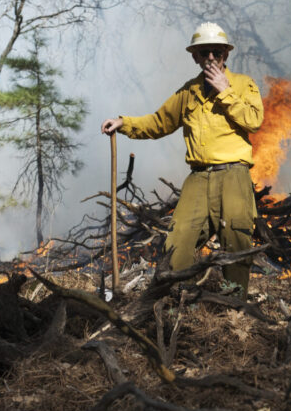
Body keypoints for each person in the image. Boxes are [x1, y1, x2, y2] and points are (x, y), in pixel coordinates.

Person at [101, 22, 263, 297]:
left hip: (233, 174)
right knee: (177, 243)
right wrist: (123, 123)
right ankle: (177, 303)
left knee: (236, 239)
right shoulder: (188, 92)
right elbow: (158, 122)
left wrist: (225, 91)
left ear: (225, 54)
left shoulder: (243, 84)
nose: (210, 58)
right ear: (195, 57)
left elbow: (254, 121)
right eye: (204, 52)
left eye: (216, 52)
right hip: (198, 177)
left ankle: (235, 306)